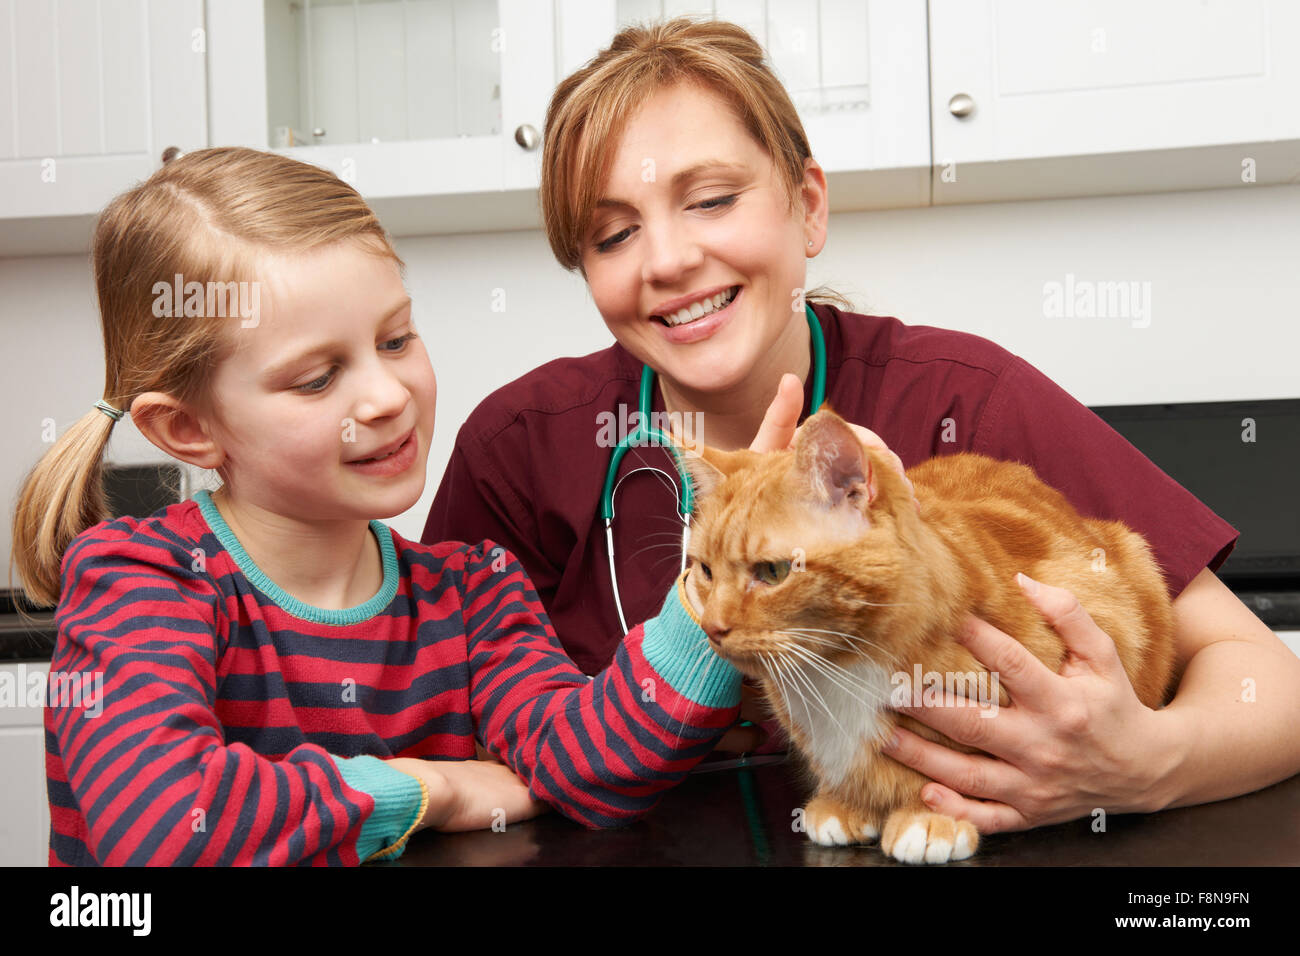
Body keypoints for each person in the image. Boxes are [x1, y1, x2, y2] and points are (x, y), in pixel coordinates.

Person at [423, 18, 1300, 833]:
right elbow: (435, 735)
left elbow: (1270, 686)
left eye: (713, 199)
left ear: (807, 206)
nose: (667, 260)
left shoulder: (968, 402)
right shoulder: (519, 451)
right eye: (612, 236)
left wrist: (1149, 766)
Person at [10, 146, 744, 867]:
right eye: (317, 379)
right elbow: (165, 830)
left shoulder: (472, 592)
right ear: (188, 429)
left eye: (396, 340)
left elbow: (587, 765)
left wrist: (729, 570)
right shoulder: (141, 580)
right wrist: (432, 789)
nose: (389, 397)